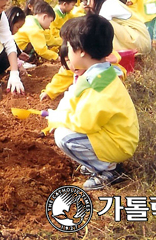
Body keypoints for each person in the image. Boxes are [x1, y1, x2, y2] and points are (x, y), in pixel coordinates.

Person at [46, 14, 139, 191]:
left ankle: (109, 171)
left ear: (81, 50)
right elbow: (74, 100)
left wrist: (58, 119)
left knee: (64, 137)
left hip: (119, 143)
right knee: (66, 130)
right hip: (115, 136)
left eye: (70, 49)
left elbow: (84, 123)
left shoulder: (97, 85)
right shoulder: (100, 74)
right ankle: (100, 163)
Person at [85, 0, 151, 54]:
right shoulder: (110, 2)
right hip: (139, 39)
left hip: (139, 41)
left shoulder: (108, 5)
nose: (88, 3)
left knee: (103, 26)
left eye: (89, 0)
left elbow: (98, 24)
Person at [5, 6, 34, 73]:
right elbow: (7, 50)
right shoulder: (0, 35)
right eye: (17, 27)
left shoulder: (8, 36)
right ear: (11, 21)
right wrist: (19, 65)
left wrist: (19, 53)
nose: (17, 31)